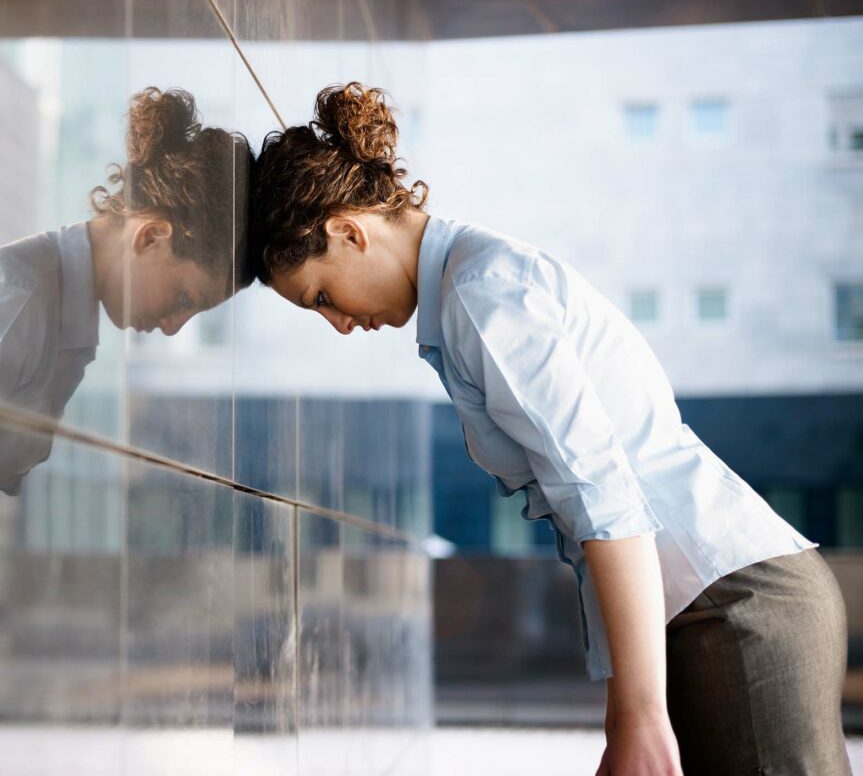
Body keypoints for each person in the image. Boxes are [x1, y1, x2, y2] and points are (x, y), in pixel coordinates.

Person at [249, 81, 851, 776]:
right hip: (712, 607)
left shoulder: (479, 296)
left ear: (349, 231)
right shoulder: (473, 285)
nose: (341, 324)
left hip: (733, 608)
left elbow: (604, 502)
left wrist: (639, 717)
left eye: (322, 296)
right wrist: (625, 707)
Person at [0, 87, 254, 493]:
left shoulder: (62, 308)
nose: (173, 327)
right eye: (185, 299)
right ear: (151, 237)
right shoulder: (22, 294)